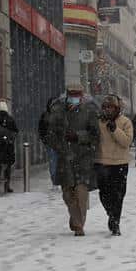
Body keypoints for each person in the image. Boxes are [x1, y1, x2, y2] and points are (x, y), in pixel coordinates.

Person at [46, 84, 100, 236]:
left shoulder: (89, 110)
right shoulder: (58, 111)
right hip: (65, 158)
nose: (74, 98)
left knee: (81, 193)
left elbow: (95, 135)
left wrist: (78, 136)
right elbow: (50, 134)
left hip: (83, 158)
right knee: (68, 194)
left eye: (77, 95)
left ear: (82, 95)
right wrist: (60, 145)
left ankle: (78, 225)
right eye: (72, 94)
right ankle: (76, 218)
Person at [96, 95, 133, 236]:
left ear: (117, 108)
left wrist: (114, 130)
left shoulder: (125, 122)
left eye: (111, 107)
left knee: (118, 195)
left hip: (120, 163)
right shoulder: (99, 122)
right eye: (105, 107)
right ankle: (111, 214)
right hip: (102, 163)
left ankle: (115, 222)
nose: (108, 110)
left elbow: (126, 142)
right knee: (104, 194)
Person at [0, 100, 19, 194]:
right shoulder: (10, 119)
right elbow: (16, 131)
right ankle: (7, 185)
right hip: (8, 146)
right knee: (8, 166)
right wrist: (9, 139)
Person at [38, 97, 60, 188]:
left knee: (58, 162)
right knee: (53, 162)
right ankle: (55, 181)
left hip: (59, 143)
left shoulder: (61, 115)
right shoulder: (46, 115)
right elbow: (41, 129)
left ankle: (58, 180)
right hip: (50, 143)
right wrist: (44, 139)